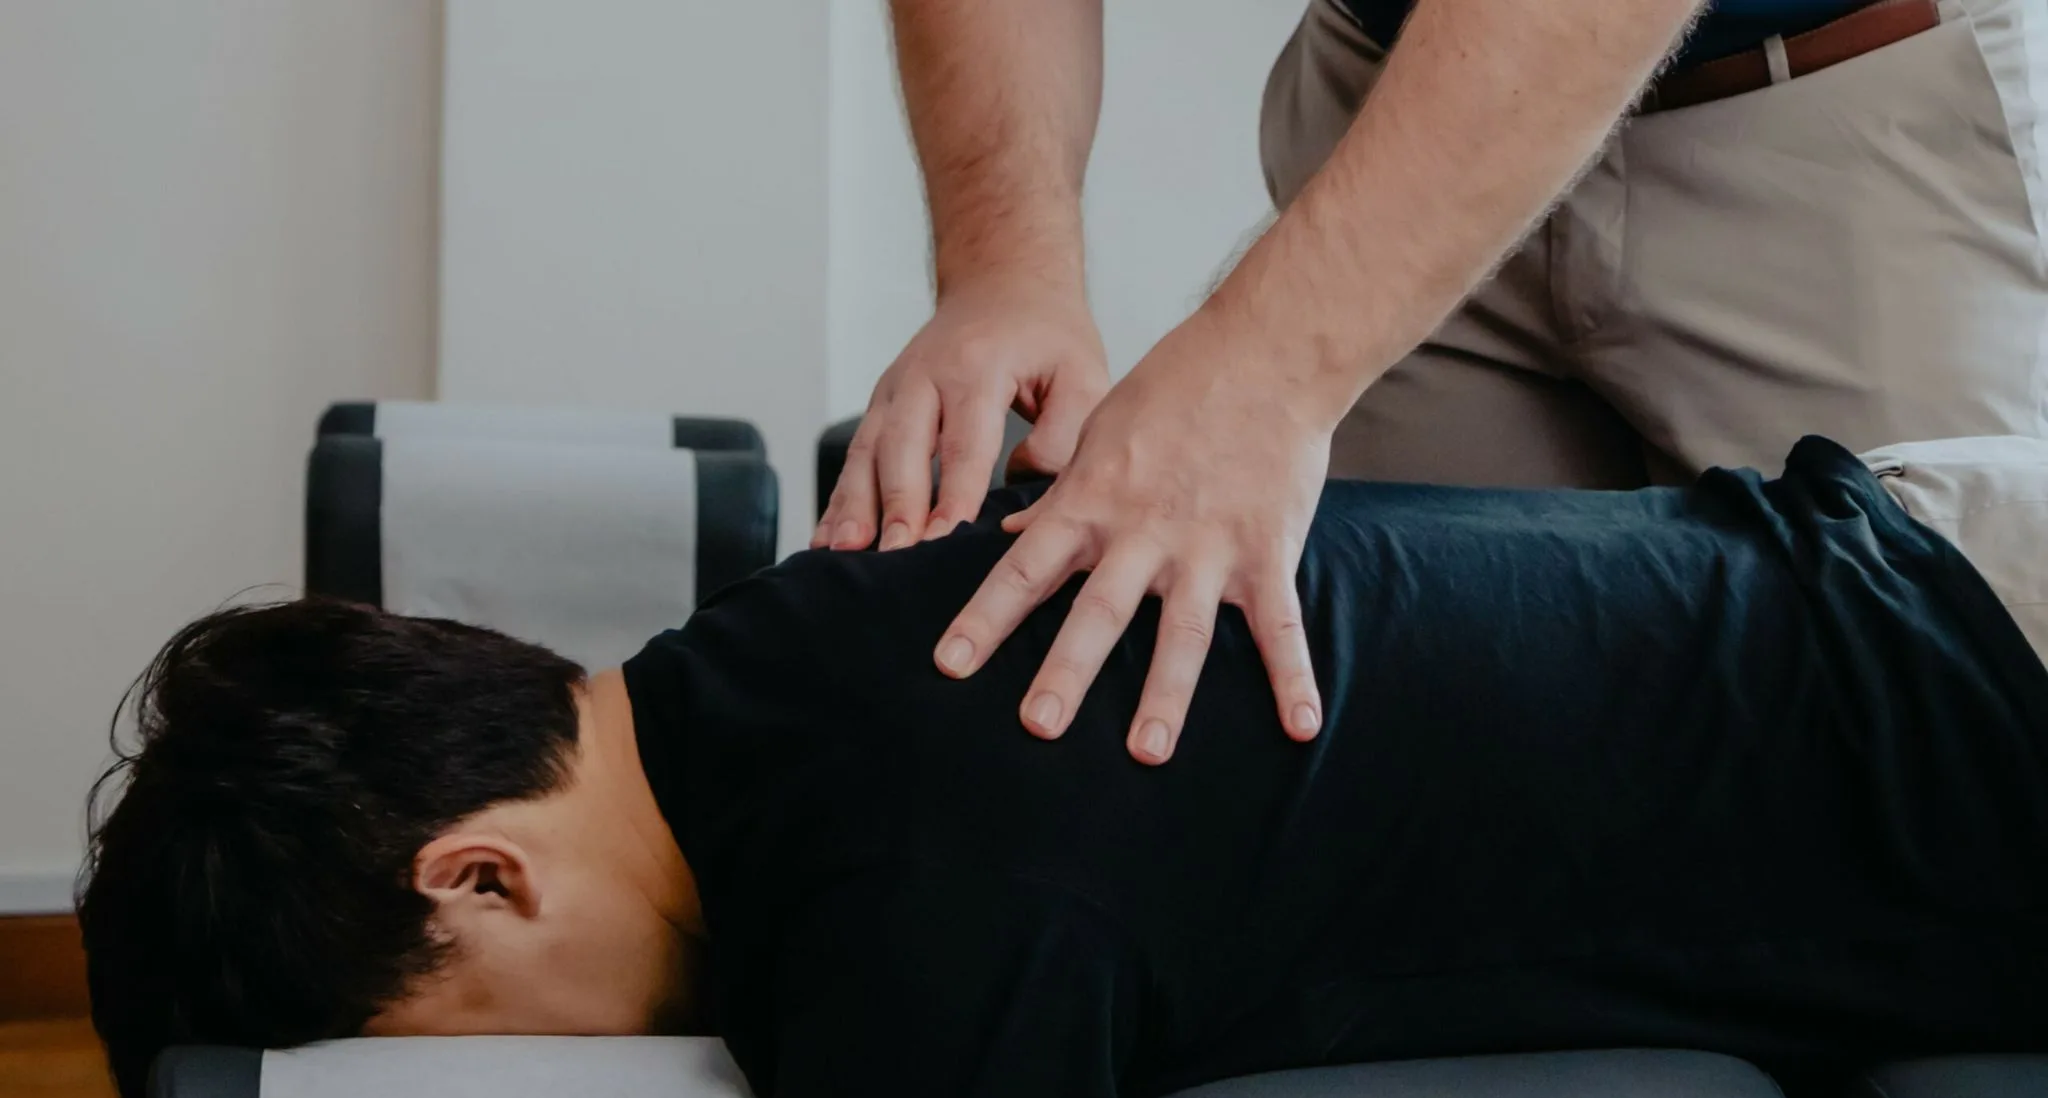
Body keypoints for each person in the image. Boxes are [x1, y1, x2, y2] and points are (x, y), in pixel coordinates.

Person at [81, 436, 2048, 1098]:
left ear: (482, 879)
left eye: (449, 1066)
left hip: (1990, 700)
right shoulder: (794, 646)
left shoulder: (896, 907)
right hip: (1913, 534)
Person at [817, 0, 2048, 772]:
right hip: (1390, 106)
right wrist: (1007, 268)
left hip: (1844, 129)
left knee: (1945, 784)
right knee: (1362, 783)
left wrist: (1265, 365)